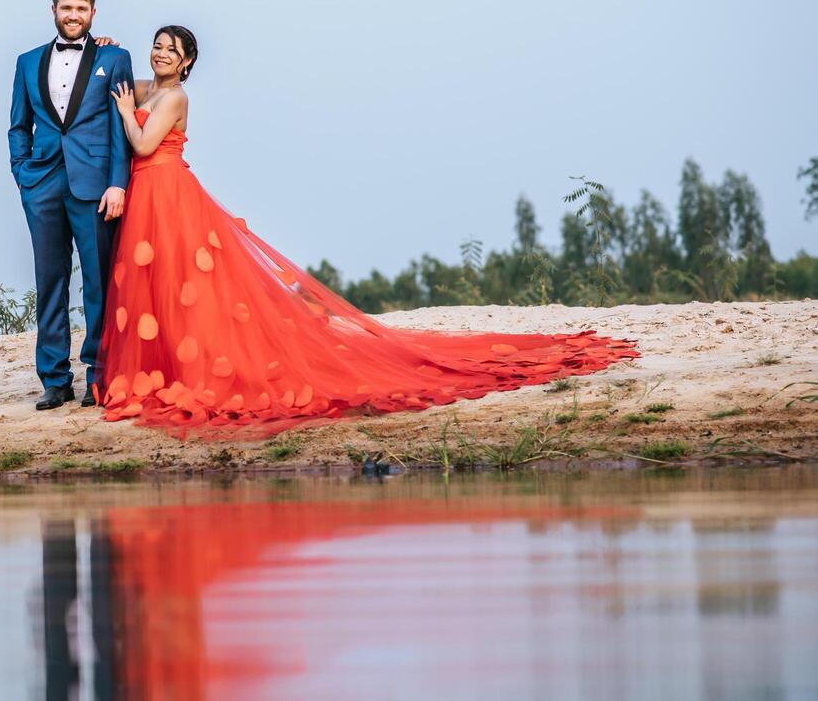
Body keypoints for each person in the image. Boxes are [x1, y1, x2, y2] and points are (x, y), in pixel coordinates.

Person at [96, 25, 638, 432]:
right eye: (157, 45)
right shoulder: (146, 86)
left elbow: (143, 145)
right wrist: (106, 49)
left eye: (171, 48)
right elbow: (121, 77)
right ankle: (163, 366)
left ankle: (194, 368)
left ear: (188, 61)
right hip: (148, 196)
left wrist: (125, 116)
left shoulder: (175, 97)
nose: (160, 52)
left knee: (183, 281)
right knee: (155, 283)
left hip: (169, 191)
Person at [8, 0, 135, 410]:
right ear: (54, 11)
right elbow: (17, 126)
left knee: (99, 283)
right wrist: (23, 175)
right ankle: (54, 379)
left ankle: (98, 375)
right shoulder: (26, 62)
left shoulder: (115, 58)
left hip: (96, 186)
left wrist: (119, 181)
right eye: (67, 8)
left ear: (93, 13)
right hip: (42, 184)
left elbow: (121, 126)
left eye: (81, 9)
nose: (73, 15)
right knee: (50, 281)